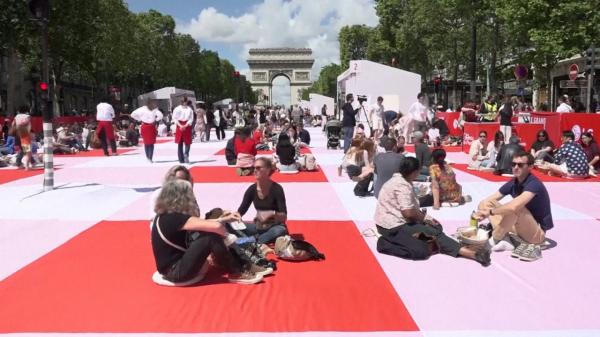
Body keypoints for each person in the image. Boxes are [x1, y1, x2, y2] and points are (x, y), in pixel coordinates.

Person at [374, 157, 491, 266]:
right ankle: (472, 254)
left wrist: (426, 217)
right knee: (426, 245)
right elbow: (408, 213)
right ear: (414, 172)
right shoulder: (402, 185)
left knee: (434, 230)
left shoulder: (398, 179)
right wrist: (425, 218)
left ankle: (446, 244)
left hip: (392, 221)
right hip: (393, 226)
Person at [151, 179, 263, 285]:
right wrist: (227, 238)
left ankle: (239, 263)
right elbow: (215, 226)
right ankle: (236, 271)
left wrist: (223, 219)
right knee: (211, 237)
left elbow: (200, 223)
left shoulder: (165, 216)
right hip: (175, 272)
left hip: (170, 269)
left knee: (209, 233)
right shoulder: (174, 218)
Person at [476, 150, 553, 261]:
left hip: (535, 234)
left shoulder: (534, 184)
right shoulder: (514, 182)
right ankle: (506, 238)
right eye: (513, 164)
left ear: (530, 167)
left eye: (520, 165)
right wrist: (481, 212)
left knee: (516, 208)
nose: (515, 167)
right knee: (485, 203)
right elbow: (490, 200)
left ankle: (492, 241)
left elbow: (514, 207)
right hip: (519, 227)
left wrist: (490, 212)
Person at [236, 157, 289, 244]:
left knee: (280, 230)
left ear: (268, 170)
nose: (254, 171)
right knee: (228, 225)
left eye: (258, 168)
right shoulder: (251, 189)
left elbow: (284, 216)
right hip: (258, 227)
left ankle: (251, 241)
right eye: (254, 168)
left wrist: (270, 215)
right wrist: (233, 217)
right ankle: (257, 239)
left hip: (274, 227)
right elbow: (241, 211)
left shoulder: (277, 189)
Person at [173, 97, 194, 164]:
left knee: (188, 142)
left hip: (187, 126)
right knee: (180, 142)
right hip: (180, 124)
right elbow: (174, 118)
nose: (185, 102)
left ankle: (186, 155)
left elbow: (191, 119)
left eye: (186, 101)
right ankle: (181, 159)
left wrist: (186, 125)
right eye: (184, 101)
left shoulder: (189, 109)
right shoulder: (177, 109)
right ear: (181, 102)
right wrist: (180, 125)